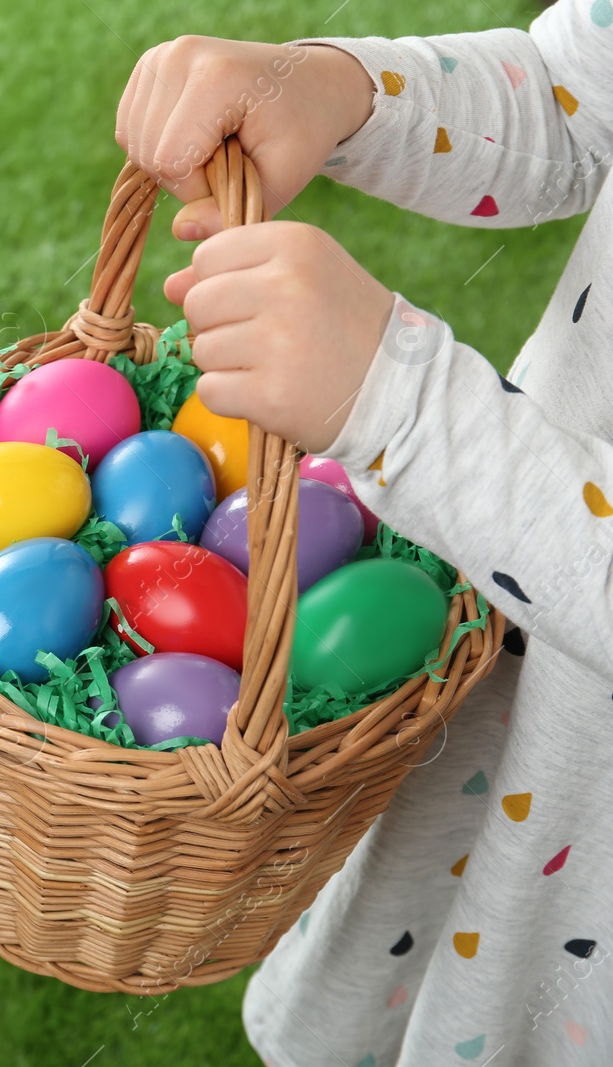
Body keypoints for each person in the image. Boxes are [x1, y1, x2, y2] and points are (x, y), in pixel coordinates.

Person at [114, 5, 613, 1065]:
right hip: (527, 660)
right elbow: (577, 102)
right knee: (450, 985)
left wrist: (398, 401)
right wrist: (342, 93)